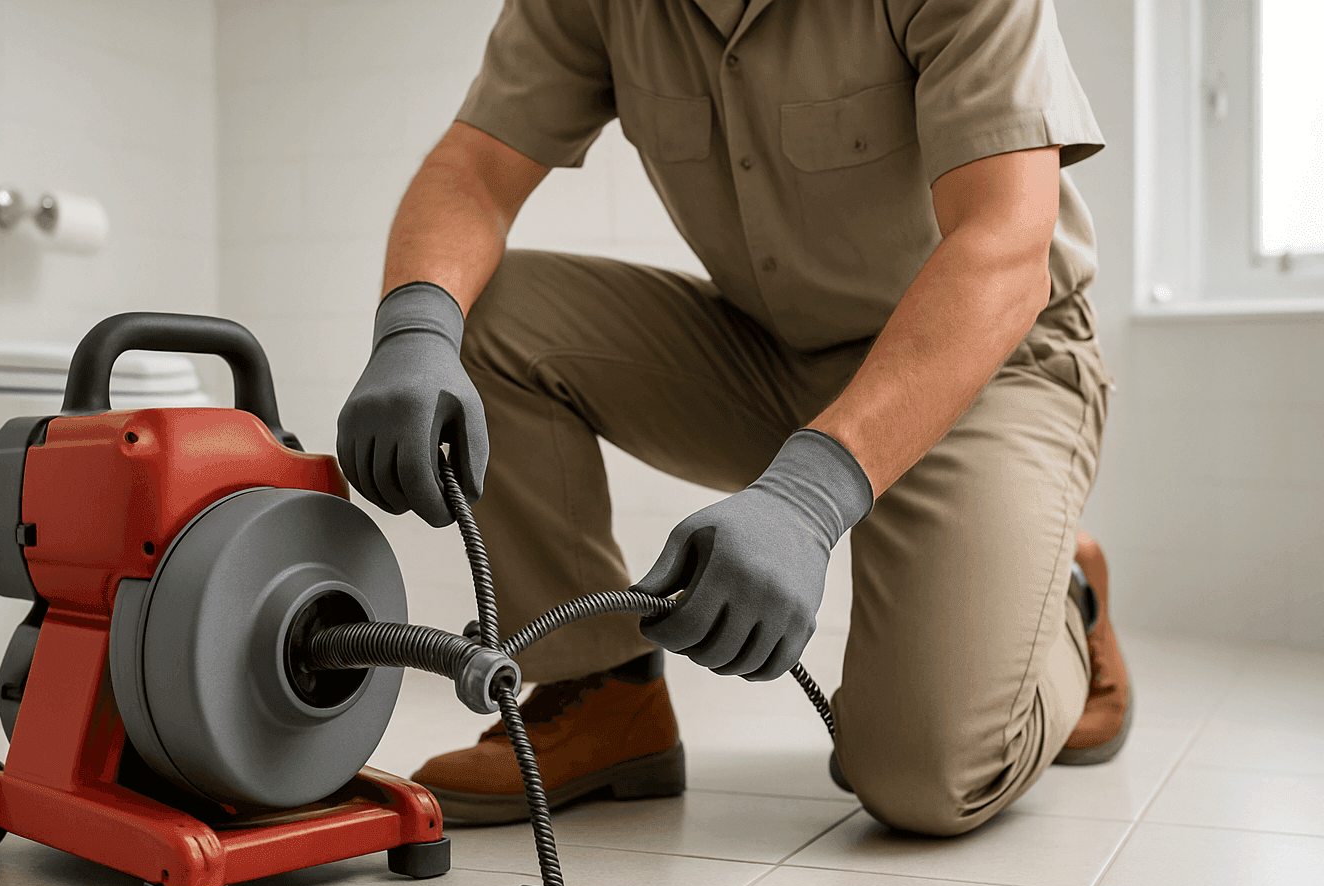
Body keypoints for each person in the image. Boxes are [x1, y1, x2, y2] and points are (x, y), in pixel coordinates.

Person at [336, 0, 1131, 837]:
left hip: (992, 364)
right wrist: (416, 330)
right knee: (477, 315)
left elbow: (1005, 247)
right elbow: (475, 172)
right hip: (776, 353)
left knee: (922, 777)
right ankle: (604, 695)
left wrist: (808, 494)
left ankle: (1065, 602)